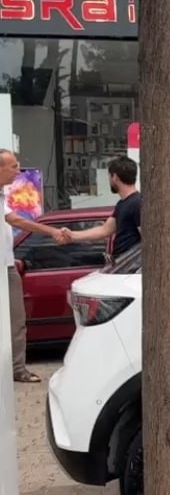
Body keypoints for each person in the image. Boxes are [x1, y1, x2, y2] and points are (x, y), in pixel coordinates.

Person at [0, 149, 72, 383]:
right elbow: (18, 221)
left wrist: (50, 230)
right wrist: (52, 231)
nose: (18, 172)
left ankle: (17, 369)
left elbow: (15, 220)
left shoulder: (3, 198)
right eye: (13, 167)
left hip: (8, 267)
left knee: (16, 322)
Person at [64, 155, 142, 264]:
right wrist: (72, 235)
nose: (109, 180)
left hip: (129, 269)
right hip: (121, 266)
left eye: (109, 176)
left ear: (115, 177)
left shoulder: (137, 203)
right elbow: (104, 230)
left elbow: (146, 239)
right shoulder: (122, 204)